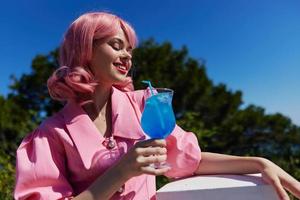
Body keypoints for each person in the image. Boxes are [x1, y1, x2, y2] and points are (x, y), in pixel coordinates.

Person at [14, 11, 300, 200]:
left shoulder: (143, 105)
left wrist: (260, 163)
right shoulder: (49, 137)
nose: (127, 56)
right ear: (85, 50)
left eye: (129, 50)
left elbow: (190, 159)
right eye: (116, 45)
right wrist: (120, 172)